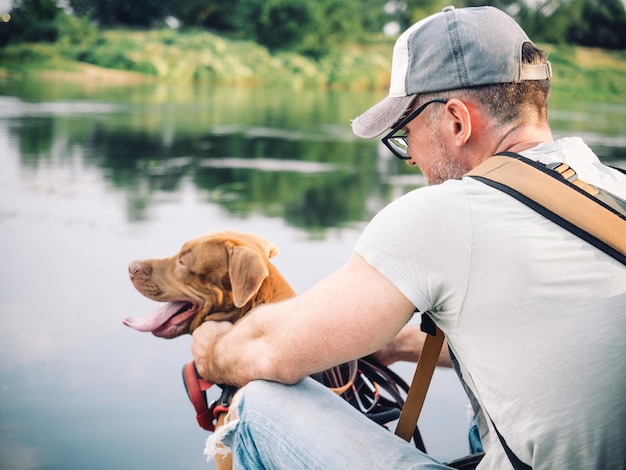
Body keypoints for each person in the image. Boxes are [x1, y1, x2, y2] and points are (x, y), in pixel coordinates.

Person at [192, 5, 626, 469]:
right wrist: (397, 344)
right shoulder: (612, 187)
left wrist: (212, 350)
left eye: (405, 132)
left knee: (257, 407)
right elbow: (551, 336)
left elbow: (268, 351)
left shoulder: (452, 212)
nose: (410, 158)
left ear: (457, 122)